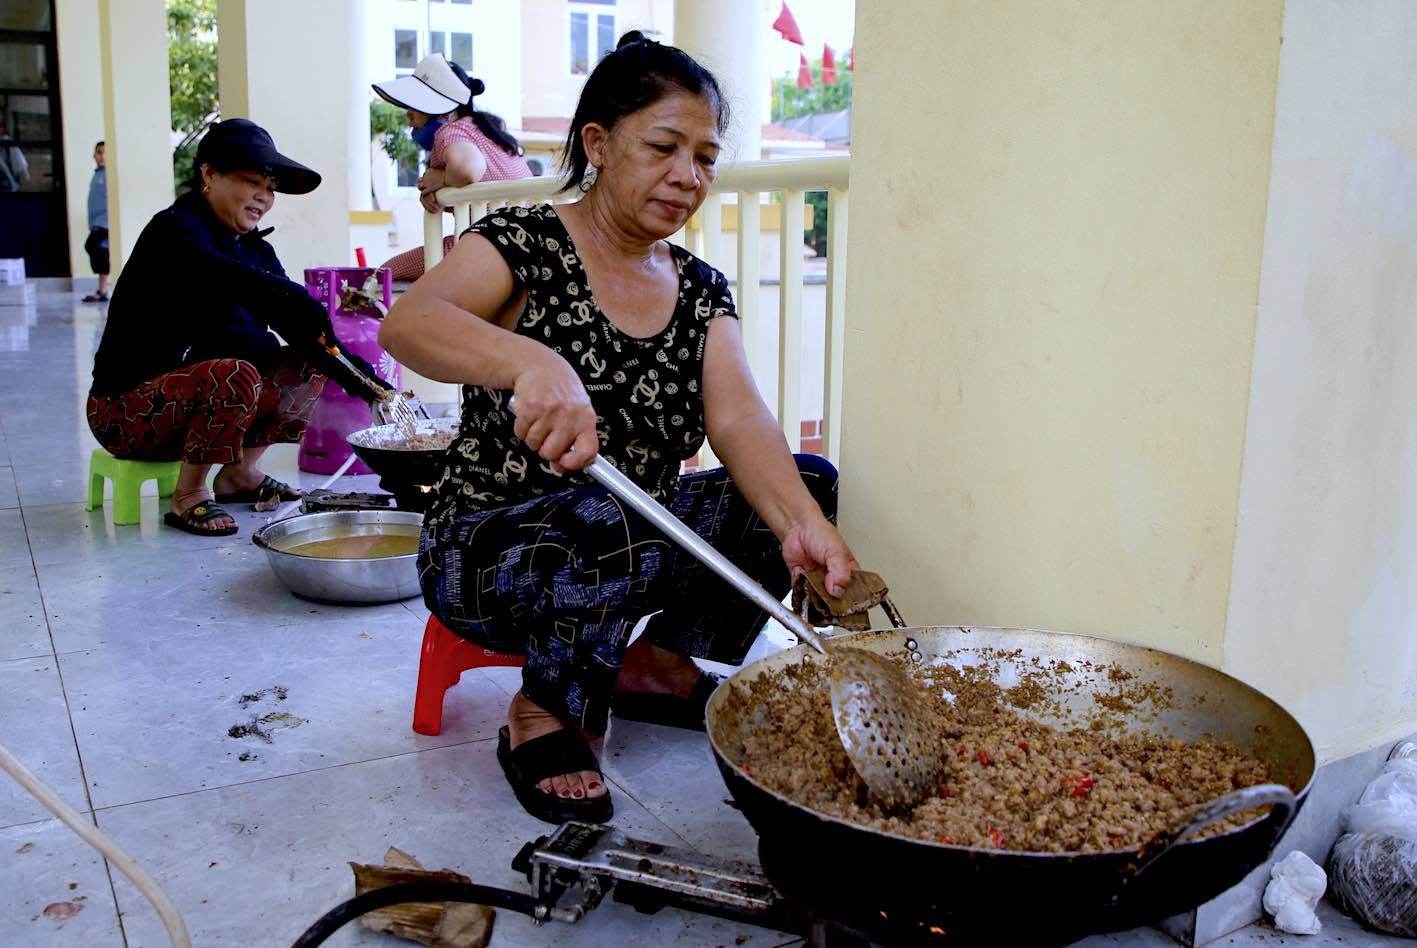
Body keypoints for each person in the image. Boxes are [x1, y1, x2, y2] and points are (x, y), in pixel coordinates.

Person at [380, 33, 858, 825]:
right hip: (488, 552)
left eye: (704, 157)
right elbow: (409, 323)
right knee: (610, 519)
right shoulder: (522, 241)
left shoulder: (701, 289)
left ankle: (656, 665)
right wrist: (529, 361)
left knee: (805, 485)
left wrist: (801, 527)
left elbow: (738, 416)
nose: (687, 176)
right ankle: (545, 711)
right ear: (598, 145)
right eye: (664, 147)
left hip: (628, 539)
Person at [88, 119, 390, 536]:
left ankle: (240, 474)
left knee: (304, 361)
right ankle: (189, 496)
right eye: (252, 182)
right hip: (124, 413)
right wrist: (295, 297)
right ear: (209, 175)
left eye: (270, 189)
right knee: (233, 373)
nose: (264, 198)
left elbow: (302, 329)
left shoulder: (255, 250)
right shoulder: (175, 232)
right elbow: (234, 281)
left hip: (193, 406)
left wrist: (374, 389)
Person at [372, 53, 532, 282]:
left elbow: (468, 169)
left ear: (446, 111)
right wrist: (438, 196)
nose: (408, 113)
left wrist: (444, 179)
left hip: (489, 245)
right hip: (526, 243)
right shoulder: (486, 131)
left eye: (416, 105)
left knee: (385, 274)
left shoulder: (451, 131)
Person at [82, 141, 110, 303]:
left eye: (105, 152)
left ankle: (104, 289)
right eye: (99, 152)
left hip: (105, 222)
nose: (102, 156)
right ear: (94, 155)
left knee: (94, 247)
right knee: (100, 252)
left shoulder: (108, 174)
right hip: (97, 222)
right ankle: (102, 290)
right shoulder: (97, 173)